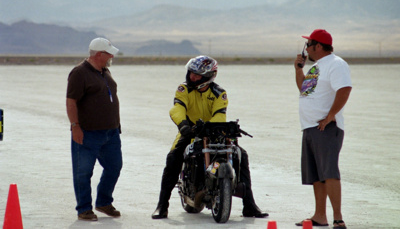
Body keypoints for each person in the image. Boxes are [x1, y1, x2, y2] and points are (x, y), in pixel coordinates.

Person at [151, 55, 268, 219]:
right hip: (189, 131)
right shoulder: (183, 89)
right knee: (173, 157)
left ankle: (249, 205)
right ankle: (162, 205)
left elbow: (220, 115)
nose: (192, 77)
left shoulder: (220, 93)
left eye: (197, 75)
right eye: (191, 72)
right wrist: (184, 125)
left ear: (208, 76)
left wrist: (208, 128)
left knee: (242, 155)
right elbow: (177, 108)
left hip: (213, 132)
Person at [294, 29, 352, 229]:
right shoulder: (316, 67)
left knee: (329, 172)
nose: (306, 49)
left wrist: (330, 116)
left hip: (326, 128)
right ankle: (320, 216)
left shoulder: (336, 64)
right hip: (310, 127)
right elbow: (304, 90)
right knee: (317, 175)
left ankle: (338, 218)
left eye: (308, 45)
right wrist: (298, 69)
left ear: (318, 46)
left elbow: (344, 89)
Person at [66, 37, 123, 221]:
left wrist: (117, 124)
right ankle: (84, 209)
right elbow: (71, 101)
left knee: (114, 167)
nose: (111, 56)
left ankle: (103, 202)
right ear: (99, 54)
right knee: (83, 172)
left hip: (111, 132)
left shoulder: (104, 71)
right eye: (109, 53)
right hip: (88, 132)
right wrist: (75, 126)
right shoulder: (79, 73)